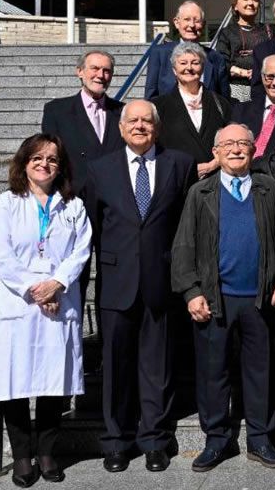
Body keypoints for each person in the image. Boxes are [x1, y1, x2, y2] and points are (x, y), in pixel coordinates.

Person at [86, 99, 197, 473]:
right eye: (132, 120)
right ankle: (116, 442)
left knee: (157, 368)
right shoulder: (100, 169)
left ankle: (154, 441)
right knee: (115, 369)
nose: (139, 126)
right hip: (116, 283)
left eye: (146, 121)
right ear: (120, 128)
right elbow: (93, 230)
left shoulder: (179, 165)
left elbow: (186, 225)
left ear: (157, 127)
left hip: (160, 282)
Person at [171, 123, 275, 471]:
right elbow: (183, 246)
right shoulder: (201, 192)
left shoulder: (269, 188)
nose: (236, 149)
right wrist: (191, 292)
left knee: (259, 371)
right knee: (213, 372)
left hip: (259, 299)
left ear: (254, 151)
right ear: (216, 152)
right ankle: (217, 440)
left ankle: (260, 438)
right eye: (229, 144)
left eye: (243, 144)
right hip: (215, 298)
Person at [0, 133, 91, 487]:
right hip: (20, 304)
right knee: (14, 384)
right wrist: (36, 290)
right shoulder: (7, 203)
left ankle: (46, 453)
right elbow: (1, 255)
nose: (45, 164)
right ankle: (21, 457)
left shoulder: (72, 205)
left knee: (53, 383)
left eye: (53, 159)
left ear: (61, 167)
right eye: (38, 158)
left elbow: (81, 250)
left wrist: (57, 283)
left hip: (58, 303)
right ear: (25, 162)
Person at [41, 49, 125, 198]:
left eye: (106, 71)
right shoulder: (56, 111)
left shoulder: (124, 112)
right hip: (74, 199)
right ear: (80, 72)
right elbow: (50, 155)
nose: (101, 75)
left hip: (115, 201)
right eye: (95, 69)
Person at [151, 41, 232, 180]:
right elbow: (152, 147)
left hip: (215, 180)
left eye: (195, 62)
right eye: (183, 63)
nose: (189, 68)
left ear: (203, 67)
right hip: (175, 179)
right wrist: (186, 168)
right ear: (174, 70)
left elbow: (231, 138)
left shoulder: (220, 103)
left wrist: (214, 163)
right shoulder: (158, 106)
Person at [145, 0, 230, 99]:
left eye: (197, 21)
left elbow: (224, 100)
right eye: (187, 19)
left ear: (203, 24)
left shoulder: (216, 58)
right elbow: (150, 97)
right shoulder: (160, 53)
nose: (192, 25)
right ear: (177, 23)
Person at [213, 0, 268, 103]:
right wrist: (243, 73)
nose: (251, 3)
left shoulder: (268, 31)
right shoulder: (227, 33)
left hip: (264, 88)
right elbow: (222, 62)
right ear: (235, 6)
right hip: (236, 89)